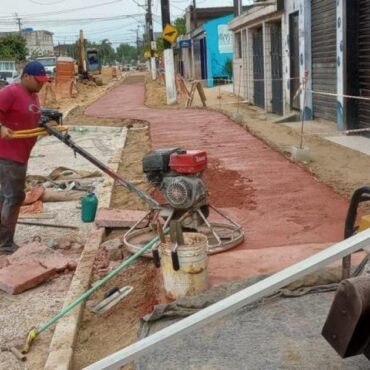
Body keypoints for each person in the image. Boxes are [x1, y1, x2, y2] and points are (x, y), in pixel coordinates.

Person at [0, 61, 48, 254]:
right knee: (14, 197)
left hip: (20, 154)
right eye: (38, 81)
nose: (41, 85)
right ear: (26, 76)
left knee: (5, 196)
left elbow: (32, 116)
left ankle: (2, 239)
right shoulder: (10, 92)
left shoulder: (33, 94)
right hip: (8, 154)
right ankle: (5, 244)